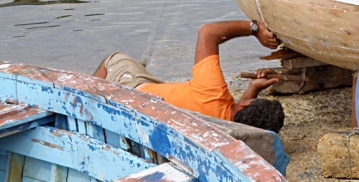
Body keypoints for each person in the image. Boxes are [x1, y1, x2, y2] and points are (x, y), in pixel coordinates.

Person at [93, 20, 285, 132]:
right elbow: (234, 120)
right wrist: (253, 88)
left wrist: (254, 29)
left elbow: (208, 33)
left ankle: (83, 95)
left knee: (115, 60)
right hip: (152, 114)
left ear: (245, 105)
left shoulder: (213, 94)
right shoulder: (227, 133)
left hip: (133, 94)